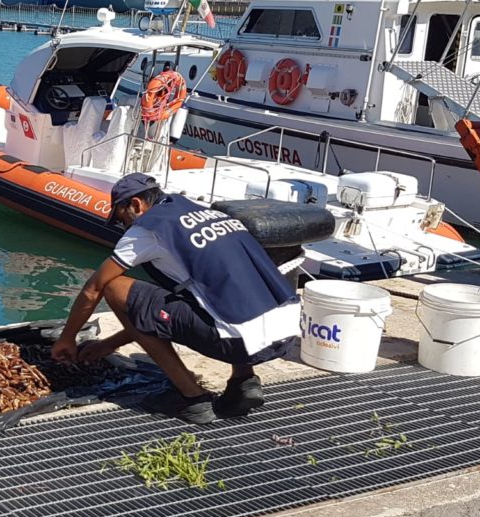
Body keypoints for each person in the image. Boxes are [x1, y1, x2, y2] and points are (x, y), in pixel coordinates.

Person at [51, 173, 299, 424]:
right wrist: (110, 344)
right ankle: (244, 381)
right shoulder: (209, 213)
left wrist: (67, 338)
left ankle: (192, 399)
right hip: (285, 333)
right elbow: (153, 313)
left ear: (136, 205)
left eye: (121, 219)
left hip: (236, 341)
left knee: (115, 287)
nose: (123, 227)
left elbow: (94, 288)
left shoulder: (148, 229)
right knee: (224, 291)